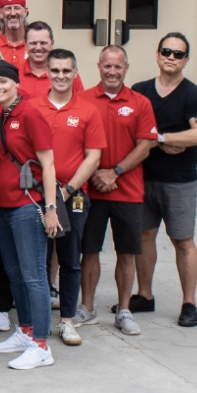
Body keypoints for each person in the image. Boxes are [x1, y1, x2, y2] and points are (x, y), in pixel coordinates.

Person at [0, 59, 63, 368]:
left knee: (34, 275)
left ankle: (42, 345)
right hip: (1, 205)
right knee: (14, 273)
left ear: (15, 82)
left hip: (27, 206)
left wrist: (51, 207)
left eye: (4, 81)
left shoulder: (29, 113)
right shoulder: (3, 114)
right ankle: (26, 330)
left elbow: (49, 164)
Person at [133, 33, 197, 326]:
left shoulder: (193, 95)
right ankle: (144, 295)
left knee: (182, 240)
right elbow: (131, 130)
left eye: (178, 54)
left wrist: (159, 138)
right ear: (157, 54)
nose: (171, 57)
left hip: (179, 181)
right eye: (167, 51)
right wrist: (170, 141)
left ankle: (188, 303)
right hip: (144, 177)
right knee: (144, 236)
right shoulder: (140, 91)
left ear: (186, 60)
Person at [83, 45, 157, 334]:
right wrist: (95, 174)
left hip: (127, 190)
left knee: (126, 253)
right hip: (91, 190)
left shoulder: (140, 102)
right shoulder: (84, 100)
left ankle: (124, 310)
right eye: (107, 66)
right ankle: (86, 308)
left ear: (126, 68)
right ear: (99, 66)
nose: (112, 71)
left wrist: (114, 172)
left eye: (118, 66)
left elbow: (145, 146)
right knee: (88, 251)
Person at [37, 48, 105, 346]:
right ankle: (33, 323)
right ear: (47, 73)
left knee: (70, 260)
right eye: (55, 70)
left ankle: (66, 321)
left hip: (73, 196)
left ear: (75, 73)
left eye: (67, 71)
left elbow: (93, 157)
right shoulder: (33, 107)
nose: (61, 76)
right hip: (36, 196)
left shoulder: (88, 110)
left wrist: (67, 191)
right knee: (36, 262)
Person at [19, 22, 78, 102]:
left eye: (43, 43)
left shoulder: (67, 74)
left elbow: (79, 105)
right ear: (25, 45)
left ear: (52, 44)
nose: (38, 48)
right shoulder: (14, 75)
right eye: (33, 43)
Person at [0, 0, 30, 70]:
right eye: (8, 9)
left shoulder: (34, 45)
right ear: (0, 13)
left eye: (17, 8)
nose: (13, 13)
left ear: (25, 12)